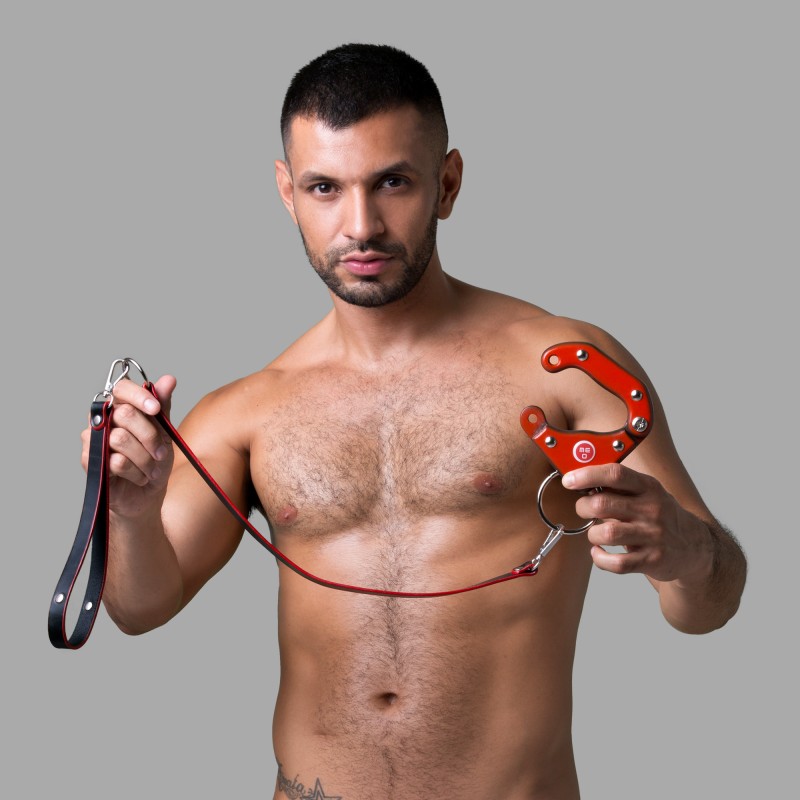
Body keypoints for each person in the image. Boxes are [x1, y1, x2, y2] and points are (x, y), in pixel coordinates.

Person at [84, 43, 747, 799]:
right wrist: (130, 512)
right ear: (288, 194)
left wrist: (685, 548)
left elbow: (711, 604)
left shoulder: (565, 366)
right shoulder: (247, 412)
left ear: (448, 183)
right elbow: (140, 606)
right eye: (325, 187)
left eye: (391, 182)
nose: (360, 225)